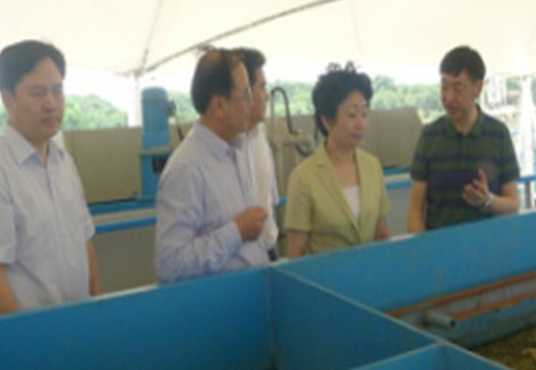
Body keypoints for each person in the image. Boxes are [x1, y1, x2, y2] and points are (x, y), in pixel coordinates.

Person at [0, 40, 100, 317]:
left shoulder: (64, 162)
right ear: (7, 98)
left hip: (80, 328)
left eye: (57, 91)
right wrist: (26, 340)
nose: (51, 104)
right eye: (38, 93)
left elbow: (85, 245)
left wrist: (97, 315)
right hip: (29, 338)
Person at [155, 49, 269, 281]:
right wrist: (236, 232)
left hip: (249, 290)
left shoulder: (234, 149)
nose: (251, 103)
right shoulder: (186, 169)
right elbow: (170, 263)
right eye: (246, 95)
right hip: (219, 299)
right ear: (218, 106)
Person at [408, 46, 520, 233]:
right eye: (444, 87)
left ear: (478, 88)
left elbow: (513, 203)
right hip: (440, 246)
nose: (449, 97)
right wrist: (420, 248)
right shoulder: (429, 136)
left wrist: (488, 201)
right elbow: (415, 210)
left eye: (458, 88)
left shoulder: (498, 134)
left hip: (488, 244)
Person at [285, 64, 390, 257]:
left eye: (364, 114)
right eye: (352, 115)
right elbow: (295, 253)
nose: (361, 123)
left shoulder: (372, 166)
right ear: (327, 120)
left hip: (369, 273)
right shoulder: (304, 177)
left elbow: (381, 234)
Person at [236, 48, 281, 261]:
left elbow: (270, 199)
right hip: (238, 261)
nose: (267, 96)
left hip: (268, 253)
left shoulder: (260, 137)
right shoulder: (224, 149)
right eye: (261, 87)